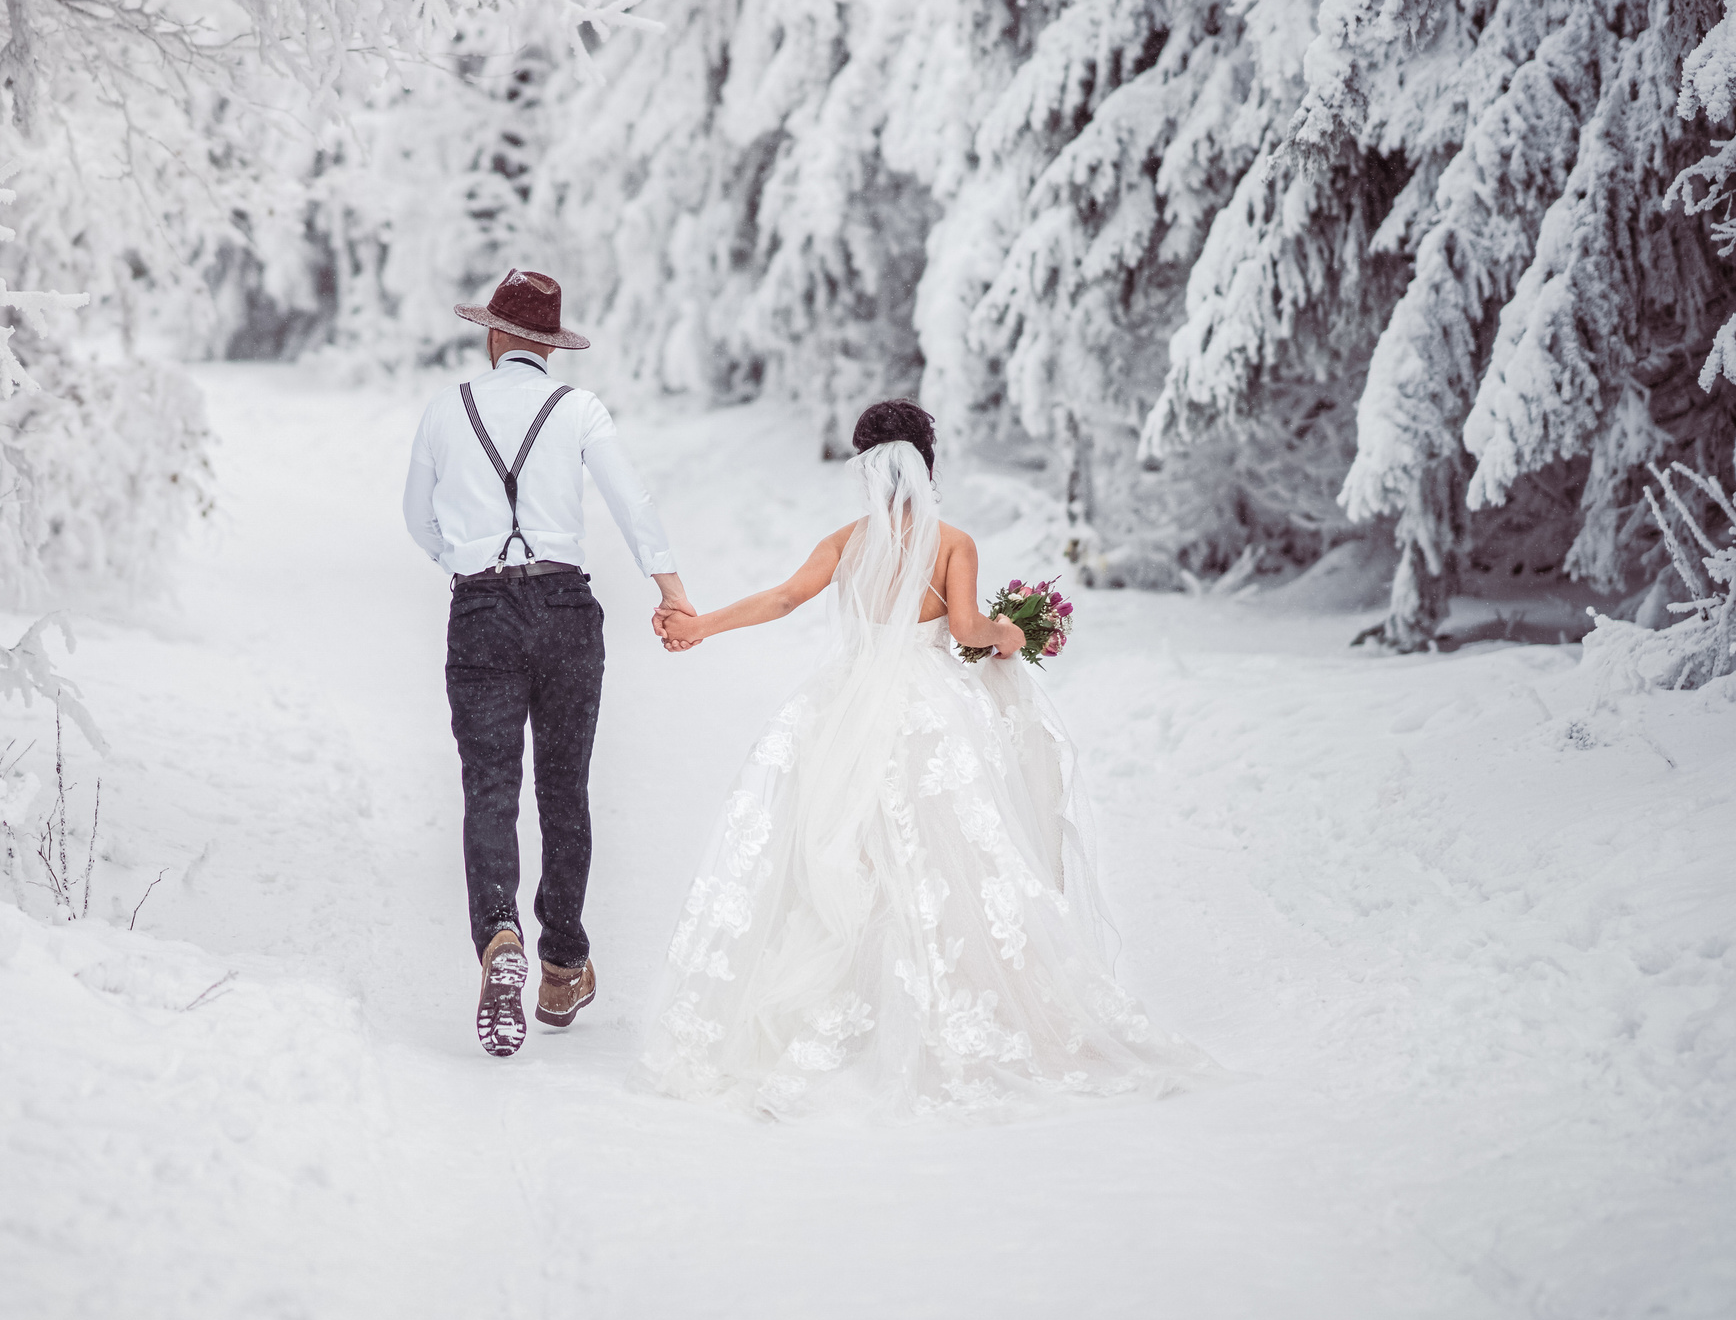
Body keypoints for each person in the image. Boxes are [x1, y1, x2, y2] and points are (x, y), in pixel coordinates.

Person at [645, 399, 1204, 1117]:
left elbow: (785, 599)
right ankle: (944, 1006)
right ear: (927, 463)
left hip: (846, 706)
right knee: (947, 857)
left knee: (849, 852)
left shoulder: (846, 541)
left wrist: (700, 626)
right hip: (931, 709)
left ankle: (844, 1009)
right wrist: (1013, 635)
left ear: (865, 468)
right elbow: (966, 627)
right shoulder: (953, 543)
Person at [403, 269, 695, 1057]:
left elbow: (416, 518)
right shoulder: (579, 410)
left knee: (490, 788)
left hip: (482, 609)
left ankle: (500, 937)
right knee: (564, 788)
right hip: (567, 606)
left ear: (494, 335)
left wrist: (466, 567)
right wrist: (673, 592)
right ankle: (563, 962)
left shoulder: (445, 409)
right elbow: (632, 503)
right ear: (548, 346)